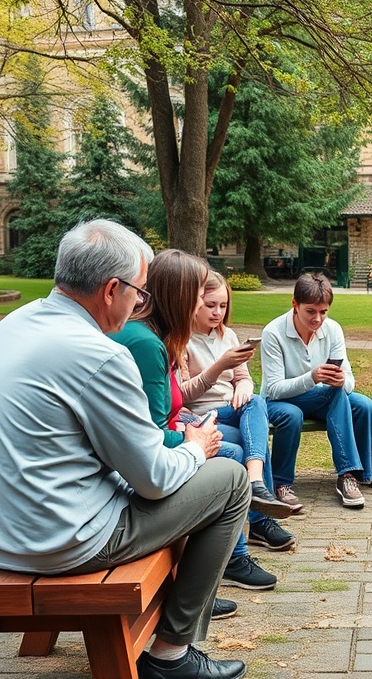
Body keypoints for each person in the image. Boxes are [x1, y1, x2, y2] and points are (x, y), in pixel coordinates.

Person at [0, 219, 251, 679]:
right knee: (230, 481)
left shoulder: (13, 325)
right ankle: (172, 655)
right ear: (112, 289)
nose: (141, 303)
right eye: (140, 292)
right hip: (61, 542)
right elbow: (154, 481)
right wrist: (195, 447)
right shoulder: (99, 354)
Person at [111, 249, 291, 593]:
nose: (203, 307)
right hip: (133, 480)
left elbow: (154, 419)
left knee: (246, 426)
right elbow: (151, 433)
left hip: (163, 444)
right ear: (180, 298)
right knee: (232, 459)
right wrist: (193, 441)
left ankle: (242, 539)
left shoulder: (156, 337)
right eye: (199, 298)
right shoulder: (148, 344)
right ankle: (223, 565)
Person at [182, 270, 301, 558]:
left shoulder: (228, 335)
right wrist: (218, 367)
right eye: (210, 305)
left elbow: (244, 378)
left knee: (255, 405)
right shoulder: (182, 339)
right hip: (202, 415)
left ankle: (257, 494)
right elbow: (182, 396)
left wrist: (243, 388)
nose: (217, 313)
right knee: (253, 436)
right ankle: (260, 511)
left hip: (233, 408)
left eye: (223, 306)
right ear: (194, 302)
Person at [260, 273, 372, 509]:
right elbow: (273, 389)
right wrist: (312, 377)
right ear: (295, 304)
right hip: (280, 400)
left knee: (364, 405)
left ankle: (353, 476)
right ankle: (282, 483)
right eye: (311, 311)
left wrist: (341, 380)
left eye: (323, 312)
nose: (318, 319)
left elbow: (349, 381)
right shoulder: (273, 333)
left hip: (322, 398)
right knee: (292, 415)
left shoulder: (333, 329)